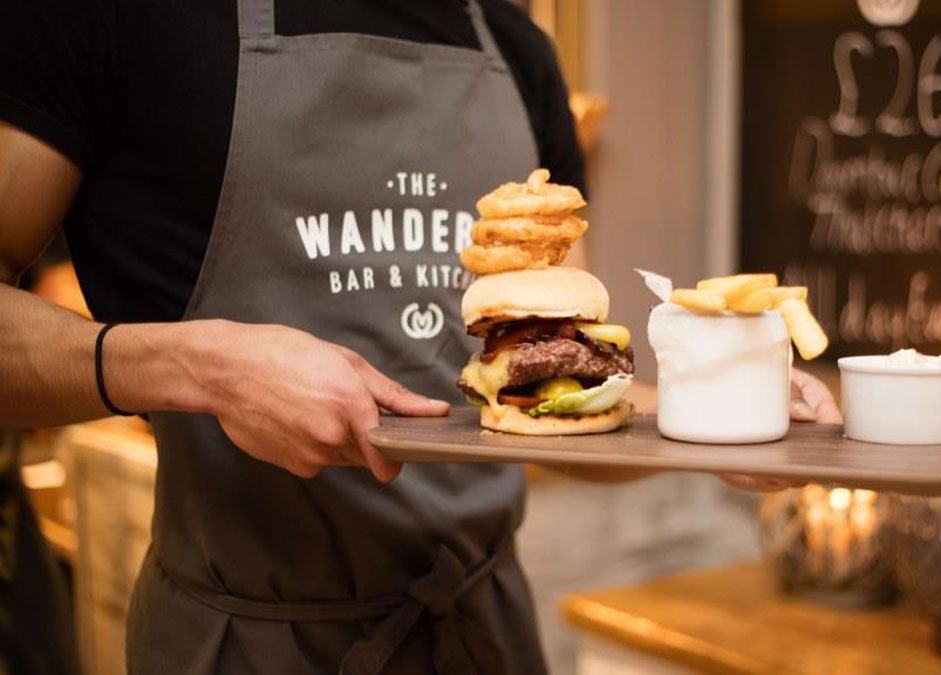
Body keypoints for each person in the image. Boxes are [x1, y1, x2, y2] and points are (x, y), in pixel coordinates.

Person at [0, 0, 840, 672]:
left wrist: (708, 415)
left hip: (485, 629)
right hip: (250, 643)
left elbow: (548, 399)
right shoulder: (113, 18)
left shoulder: (515, 47)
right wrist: (199, 364)